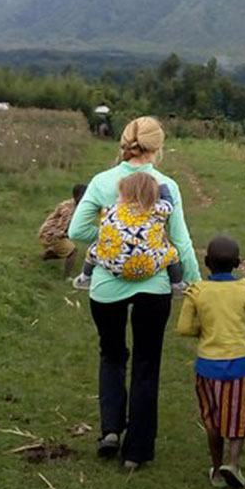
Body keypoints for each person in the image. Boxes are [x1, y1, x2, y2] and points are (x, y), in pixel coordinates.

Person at [67, 116, 201, 470]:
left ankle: (110, 429)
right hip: (154, 286)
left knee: (111, 355)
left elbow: (77, 230)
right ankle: (137, 450)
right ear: (158, 148)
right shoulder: (165, 184)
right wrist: (195, 283)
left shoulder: (101, 181)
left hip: (106, 285)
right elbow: (182, 240)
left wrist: (111, 242)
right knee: (146, 363)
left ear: (124, 143)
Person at [176, 236, 245, 489]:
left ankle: (216, 469)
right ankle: (233, 464)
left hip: (208, 366)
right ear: (237, 263)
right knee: (238, 415)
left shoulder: (198, 292)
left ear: (206, 262)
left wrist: (203, 330)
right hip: (240, 365)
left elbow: (183, 328)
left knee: (212, 419)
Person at [72, 172, 183, 290]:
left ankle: (85, 278)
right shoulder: (157, 210)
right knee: (172, 253)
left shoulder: (110, 210)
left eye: (120, 195)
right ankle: (177, 285)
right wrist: (162, 187)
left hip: (114, 267)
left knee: (93, 250)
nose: (117, 198)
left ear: (127, 196)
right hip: (148, 267)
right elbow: (169, 203)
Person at [38, 183, 86, 278]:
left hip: (47, 232)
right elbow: (61, 229)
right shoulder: (68, 209)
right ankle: (66, 277)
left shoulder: (72, 204)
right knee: (72, 251)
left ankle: (45, 256)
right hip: (50, 234)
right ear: (78, 196)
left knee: (63, 251)